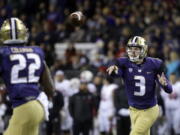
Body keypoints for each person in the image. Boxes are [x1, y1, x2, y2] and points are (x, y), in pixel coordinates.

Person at [106, 36, 173, 135]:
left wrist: (165, 85)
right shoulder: (124, 63)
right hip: (133, 110)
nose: (133, 52)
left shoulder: (154, 64)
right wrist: (113, 71)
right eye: (131, 49)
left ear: (144, 49)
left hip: (149, 110)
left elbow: (169, 90)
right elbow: (117, 74)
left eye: (136, 49)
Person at [0, 17, 54, 135]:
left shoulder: (3, 54)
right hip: (38, 104)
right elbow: (50, 87)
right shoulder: (37, 51)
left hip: (23, 107)